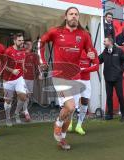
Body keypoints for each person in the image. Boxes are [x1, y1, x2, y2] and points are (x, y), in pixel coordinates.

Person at [40, 6, 96, 150]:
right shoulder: (56, 31)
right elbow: (41, 42)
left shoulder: (84, 35)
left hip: (76, 77)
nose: (73, 16)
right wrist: (42, 61)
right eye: (71, 14)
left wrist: (91, 54)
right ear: (65, 17)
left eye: (76, 14)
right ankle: (58, 123)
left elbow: (91, 50)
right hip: (60, 75)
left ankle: (62, 139)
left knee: (70, 111)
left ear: (78, 17)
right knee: (70, 106)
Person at [68, 48, 99, 135]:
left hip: (86, 81)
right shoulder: (75, 49)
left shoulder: (92, 51)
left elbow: (96, 66)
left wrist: (83, 70)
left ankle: (79, 125)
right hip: (76, 80)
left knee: (85, 103)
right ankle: (69, 122)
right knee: (73, 104)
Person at [98, 37, 124, 122]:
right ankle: (110, 114)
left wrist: (120, 70)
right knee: (109, 96)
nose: (104, 42)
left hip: (117, 78)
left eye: (105, 41)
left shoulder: (119, 51)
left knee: (120, 96)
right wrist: (91, 57)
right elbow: (98, 60)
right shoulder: (105, 51)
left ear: (110, 42)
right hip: (108, 78)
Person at [3, 33, 27, 125]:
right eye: (19, 40)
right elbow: (3, 65)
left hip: (19, 78)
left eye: (22, 40)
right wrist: (12, 70)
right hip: (8, 79)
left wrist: (23, 67)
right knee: (8, 100)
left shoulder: (23, 51)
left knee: (23, 97)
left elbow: (23, 60)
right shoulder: (8, 51)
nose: (21, 42)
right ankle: (8, 118)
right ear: (14, 41)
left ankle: (16, 113)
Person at [22, 39, 41, 122]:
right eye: (27, 44)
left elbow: (38, 66)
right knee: (23, 95)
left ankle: (24, 109)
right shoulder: (20, 53)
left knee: (28, 96)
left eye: (30, 44)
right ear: (24, 45)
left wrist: (39, 74)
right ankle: (26, 112)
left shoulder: (34, 55)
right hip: (21, 78)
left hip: (30, 78)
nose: (29, 46)